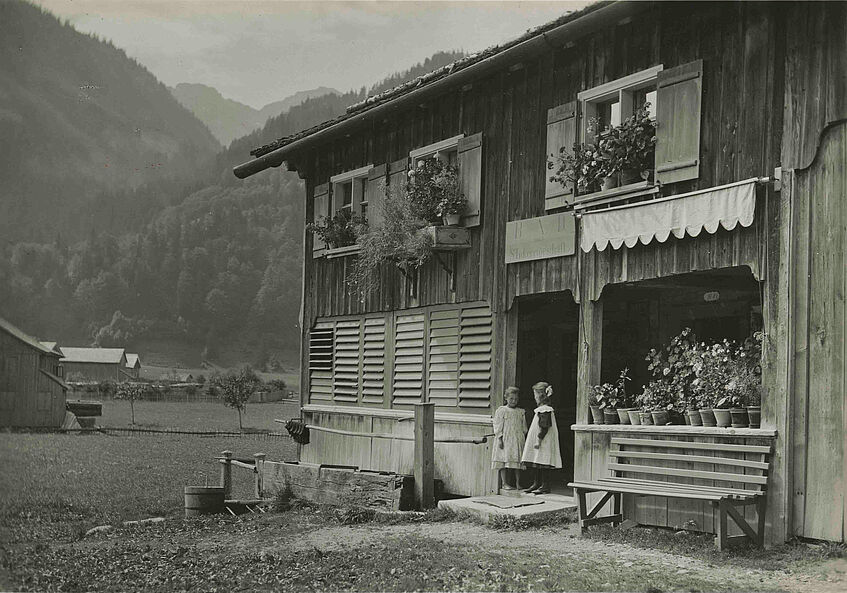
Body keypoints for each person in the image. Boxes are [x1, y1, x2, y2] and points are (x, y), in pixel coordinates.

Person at [521, 381, 563, 494]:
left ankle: (545, 485)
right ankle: (536, 483)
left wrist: (539, 440)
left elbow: (544, 426)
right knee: (537, 460)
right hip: (540, 440)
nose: (534, 397)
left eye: (535, 395)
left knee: (544, 461)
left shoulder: (545, 410)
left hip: (544, 440)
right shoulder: (541, 409)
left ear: (540, 396)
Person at [491, 386, 527, 490]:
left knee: (517, 461)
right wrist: (500, 438)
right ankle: (504, 483)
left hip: (517, 439)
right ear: (506, 398)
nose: (513, 401)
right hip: (505, 439)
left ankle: (518, 483)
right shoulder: (502, 410)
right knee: (504, 460)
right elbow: (497, 425)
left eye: (516, 399)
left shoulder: (520, 412)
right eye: (511, 399)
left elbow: (524, 427)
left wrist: (522, 437)